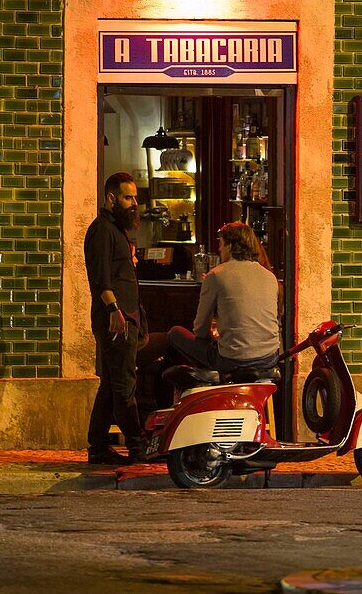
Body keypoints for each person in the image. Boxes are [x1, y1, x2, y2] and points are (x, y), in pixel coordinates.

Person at [83, 172, 147, 465]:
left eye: (135, 197)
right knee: (123, 386)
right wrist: (114, 311)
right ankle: (137, 445)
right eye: (127, 197)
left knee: (111, 384)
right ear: (111, 198)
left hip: (126, 317)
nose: (134, 203)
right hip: (115, 320)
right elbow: (101, 279)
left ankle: (97, 447)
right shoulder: (101, 231)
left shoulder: (116, 230)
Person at [168, 222, 280, 374]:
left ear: (231, 246)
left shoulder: (216, 275)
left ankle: (204, 382)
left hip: (232, 360)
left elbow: (200, 329)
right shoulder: (270, 277)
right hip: (269, 358)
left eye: (221, 243)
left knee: (175, 333)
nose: (219, 249)